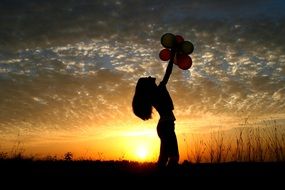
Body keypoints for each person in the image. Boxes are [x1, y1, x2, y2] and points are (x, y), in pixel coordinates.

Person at [132, 50, 179, 168]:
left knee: (165, 157)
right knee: (173, 157)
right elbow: (168, 73)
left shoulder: (155, 93)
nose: (149, 76)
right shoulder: (158, 90)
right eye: (147, 78)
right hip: (166, 125)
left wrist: (172, 59)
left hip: (165, 125)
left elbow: (167, 74)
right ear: (147, 86)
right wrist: (172, 59)